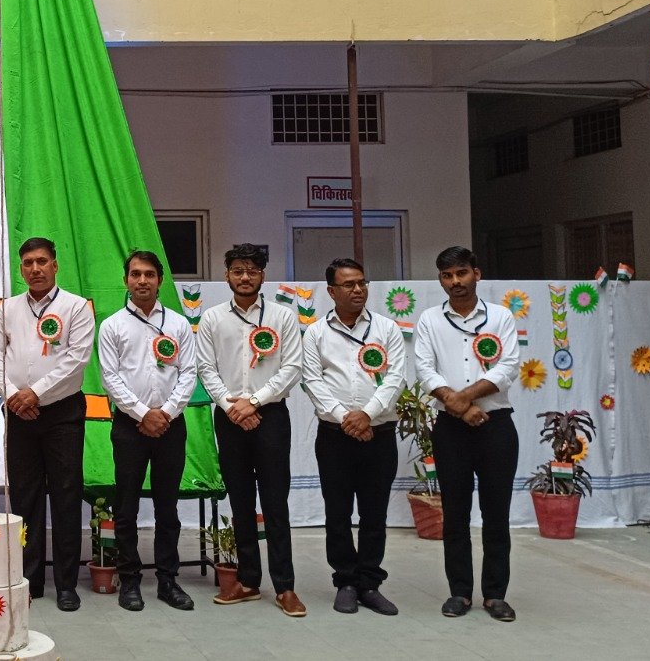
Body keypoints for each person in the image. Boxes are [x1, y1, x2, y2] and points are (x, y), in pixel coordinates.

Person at [196, 243, 305, 617]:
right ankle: (248, 581)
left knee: (275, 503)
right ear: (226, 274)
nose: (245, 277)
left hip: (270, 418)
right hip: (229, 419)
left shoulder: (282, 316)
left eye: (252, 271)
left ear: (263, 276)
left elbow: (292, 367)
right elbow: (206, 368)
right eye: (238, 270)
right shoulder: (212, 318)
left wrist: (254, 402)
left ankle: (285, 587)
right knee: (240, 501)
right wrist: (232, 407)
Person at [414, 245, 521, 623]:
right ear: (440, 280)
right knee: (455, 514)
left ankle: (495, 594)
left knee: (496, 514)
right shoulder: (430, 319)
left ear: (477, 273)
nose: (455, 281)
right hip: (451, 430)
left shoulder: (500, 316)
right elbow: (424, 369)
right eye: (447, 276)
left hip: (496, 426)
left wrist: (464, 399)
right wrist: (459, 408)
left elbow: (508, 366)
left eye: (461, 273)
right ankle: (459, 592)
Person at [301, 258, 407, 616]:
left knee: (375, 513)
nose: (358, 289)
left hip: (379, 434)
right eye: (349, 284)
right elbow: (313, 381)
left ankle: (370, 584)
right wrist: (346, 418)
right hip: (335, 436)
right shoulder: (316, 333)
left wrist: (367, 415)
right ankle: (345, 582)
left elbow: (395, 378)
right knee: (338, 512)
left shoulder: (387, 328)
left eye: (362, 282)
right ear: (332, 291)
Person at [0, 236, 93, 612]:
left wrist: (34, 393)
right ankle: (30, 580)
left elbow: (76, 359)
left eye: (42, 261)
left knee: (67, 495)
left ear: (55, 265)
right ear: (21, 269)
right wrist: (13, 396)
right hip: (18, 413)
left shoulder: (76, 307)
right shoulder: (7, 308)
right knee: (25, 497)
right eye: (28, 263)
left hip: (61, 413)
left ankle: (67, 584)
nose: (35, 269)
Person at [98, 250, 196, 613]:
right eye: (136, 274)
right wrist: (143, 414)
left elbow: (189, 373)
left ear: (160, 280)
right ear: (126, 280)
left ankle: (168, 580)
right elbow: (110, 378)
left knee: (167, 507)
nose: (142, 280)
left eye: (149, 274)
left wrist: (165, 413)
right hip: (129, 425)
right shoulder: (112, 326)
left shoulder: (179, 324)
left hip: (171, 424)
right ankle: (129, 579)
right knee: (126, 506)